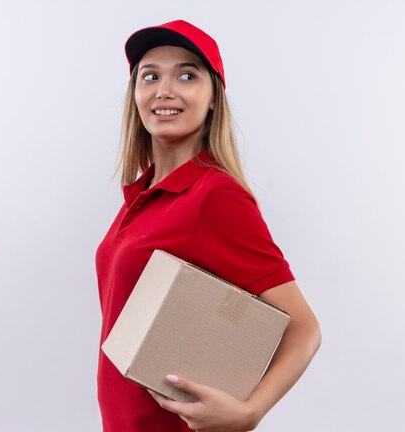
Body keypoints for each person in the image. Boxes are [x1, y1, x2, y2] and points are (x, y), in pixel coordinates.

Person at [95, 20, 321, 432]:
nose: (164, 90)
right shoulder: (144, 193)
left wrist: (250, 410)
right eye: (150, 76)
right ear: (136, 95)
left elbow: (304, 328)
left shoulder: (214, 196)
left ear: (213, 97)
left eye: (187, 75)